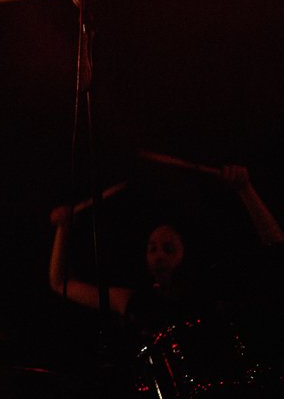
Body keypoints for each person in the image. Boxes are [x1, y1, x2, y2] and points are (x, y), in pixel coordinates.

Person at [48, 164, 284, 397]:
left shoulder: (210, 289)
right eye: (152, 249)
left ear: (186, 253)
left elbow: (276, 249)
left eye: (168, 249)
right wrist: (63, 229)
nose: (159, 255)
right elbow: (60, 283)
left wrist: (245, 190)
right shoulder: (136, 301)